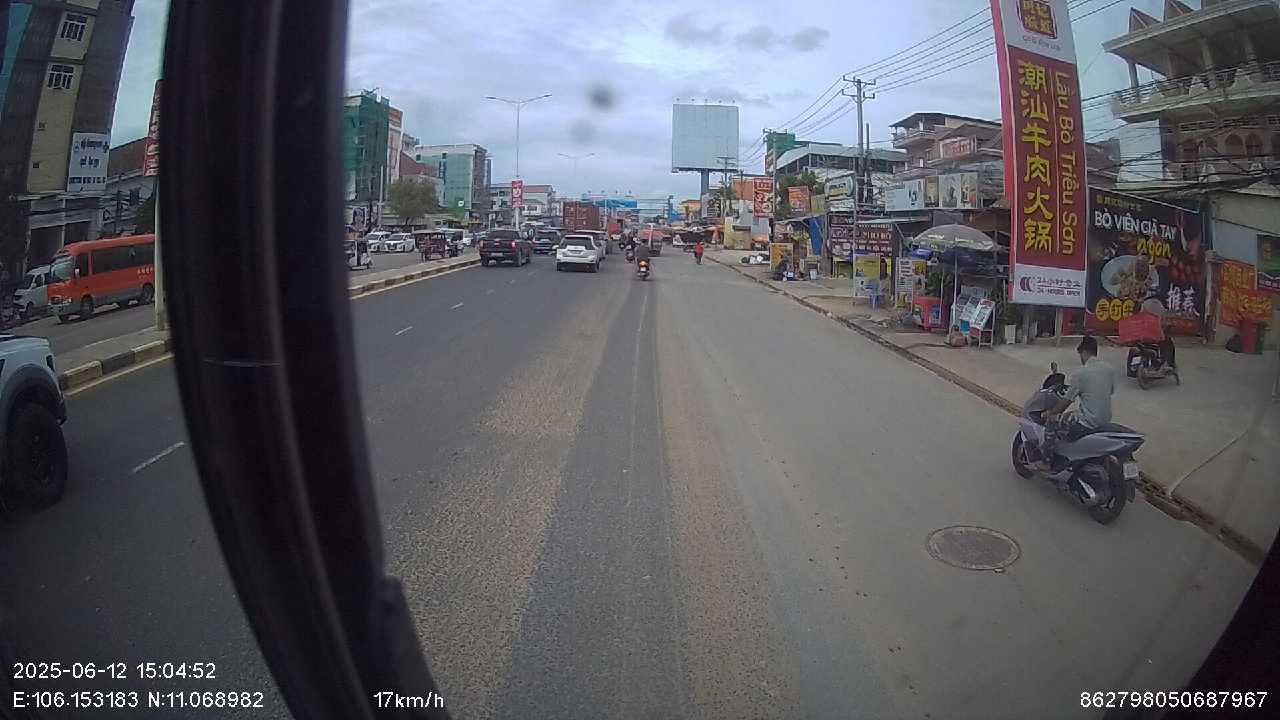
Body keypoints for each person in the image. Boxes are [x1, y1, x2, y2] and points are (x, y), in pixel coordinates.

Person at [1037, 335, 1115, 467]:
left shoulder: (1081, 373)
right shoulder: (1109, 369)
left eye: (1080, 354)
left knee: (1052, 421)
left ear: (1083, 352)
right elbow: (1110, 391)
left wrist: (1050, 412)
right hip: (1105, 420)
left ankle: (1046, 462)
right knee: (1072, 414)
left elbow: (1065, 402)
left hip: (1086, 423)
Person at [1140, 295, 1176, 370]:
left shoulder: (1144, 304)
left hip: (1144, 335)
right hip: (1157, 335)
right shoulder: (1161, 307)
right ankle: (1168, 363)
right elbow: (1163, 322)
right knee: (1168, 344)